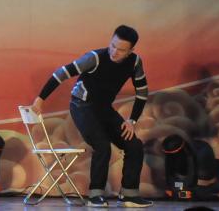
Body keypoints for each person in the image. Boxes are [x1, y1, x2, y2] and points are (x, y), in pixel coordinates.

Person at [30, 25, 152, 208]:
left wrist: (132, 120)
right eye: (113, 45)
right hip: (82, 106)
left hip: (104, 108)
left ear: (131, 51)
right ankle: (95, 195)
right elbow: (61, 74)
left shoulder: (134, 62)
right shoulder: (94, 58)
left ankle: (129, 195)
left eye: (121, 50)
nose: (114, 52)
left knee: (134, 145)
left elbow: (142, 92)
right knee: (102, 145)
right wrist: (40, 99)